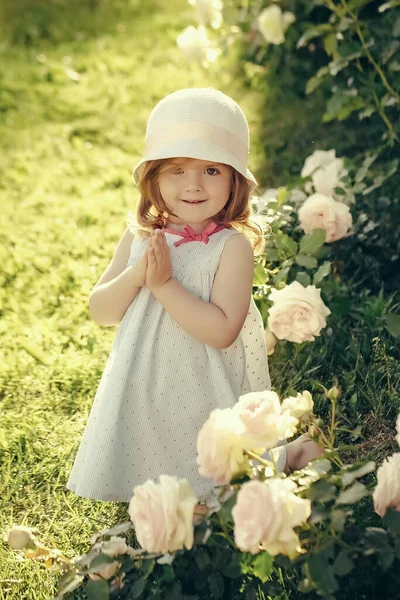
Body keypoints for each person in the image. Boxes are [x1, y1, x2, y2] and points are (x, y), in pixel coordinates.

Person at [67, 88, 322, 505]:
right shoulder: (141, 238)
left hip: (206, 381)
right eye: (176, 170)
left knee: (220, 466)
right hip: (145, 382)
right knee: (155, 451)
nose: (193, 186)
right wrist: (139, 274)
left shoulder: (230, 246)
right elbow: (102, 310)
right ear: (153, 177)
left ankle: (285, 457)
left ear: (235, 179)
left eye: (211, 171)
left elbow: (222, 330)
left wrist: (164, 285)